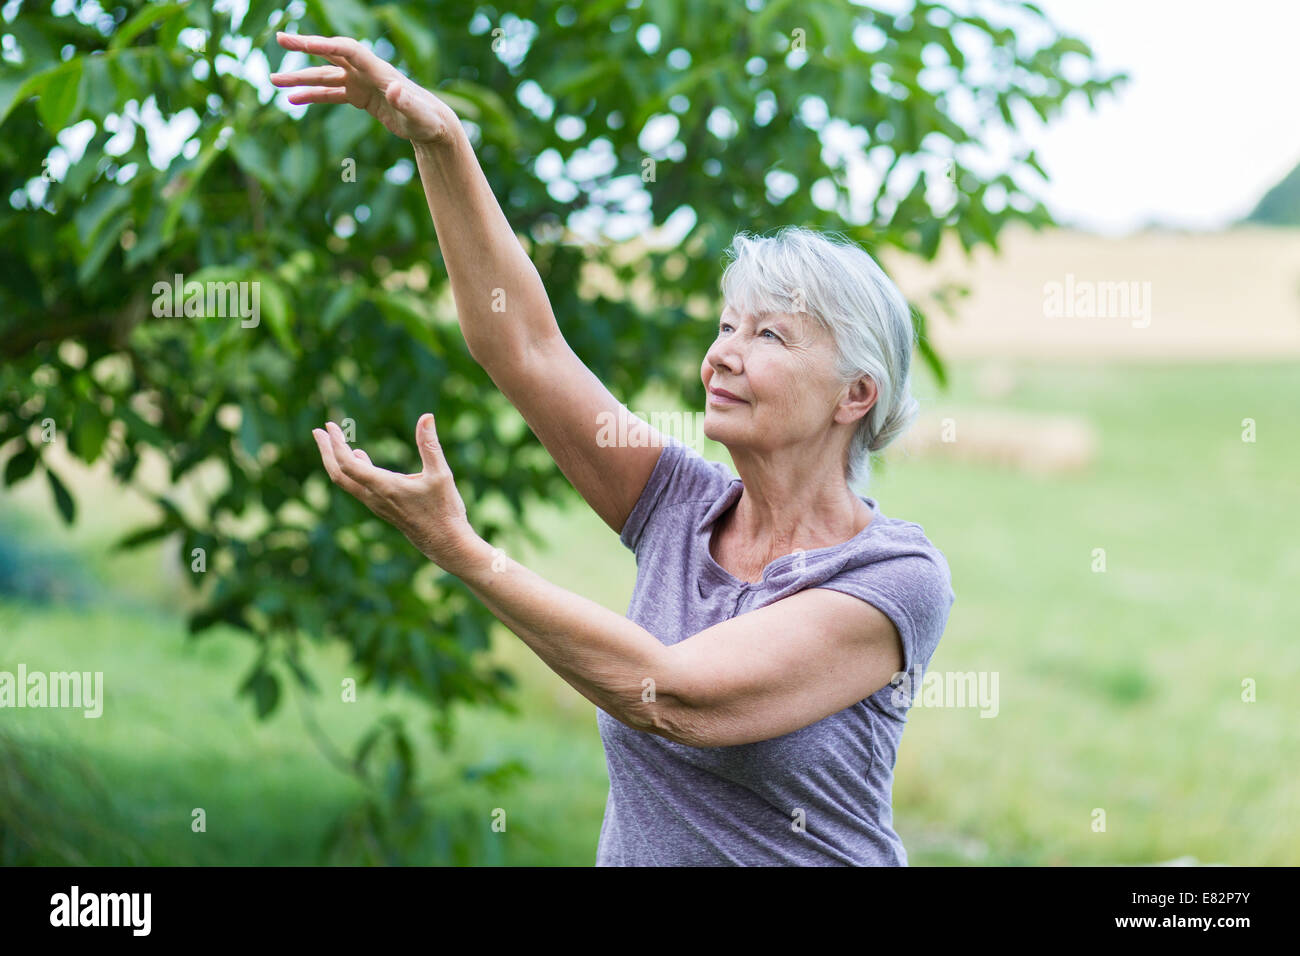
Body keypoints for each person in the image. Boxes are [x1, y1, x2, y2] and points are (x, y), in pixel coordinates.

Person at [273, 32, 955, 866]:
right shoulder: (679, 502)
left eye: (770, 334)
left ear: (857, 394)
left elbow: (676, 697)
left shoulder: (893, 579)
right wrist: (442, 142)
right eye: (725, 326)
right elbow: (521, 343)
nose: (722, 355)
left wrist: (463, 553)